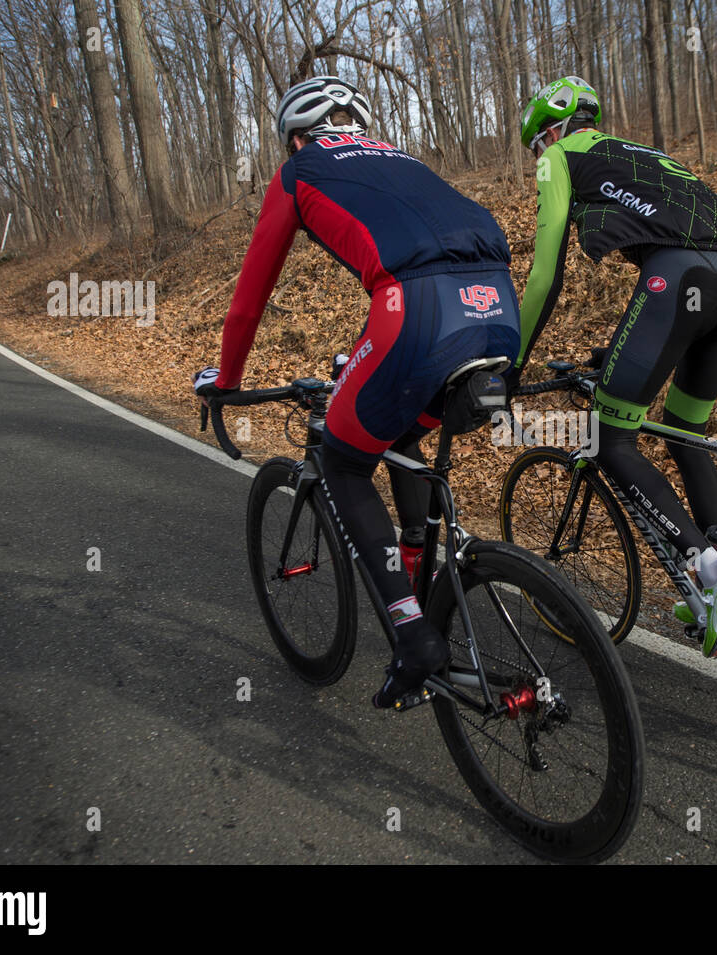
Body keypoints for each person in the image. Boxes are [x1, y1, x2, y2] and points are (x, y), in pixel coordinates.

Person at [194, 76, 520, 705]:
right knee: (400, 431)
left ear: (295, 138)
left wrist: (227, 380)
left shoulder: (300, 172)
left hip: (414, 310)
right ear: (359, 126)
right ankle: (421, 563)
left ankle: (413, 634)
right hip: (497, 305)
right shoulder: (403, 158)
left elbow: (249, 300)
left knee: (344, 463)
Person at [515, 76, 717, 656]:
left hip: (681, 278)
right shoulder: (637, 156)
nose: (538, 159)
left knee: (605, 437)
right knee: (682, 431)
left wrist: (512, 362)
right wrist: (622, 353)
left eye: (536, 145)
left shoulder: (560, 158)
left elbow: (545, 275)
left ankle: (707, 568)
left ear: (551, 129)